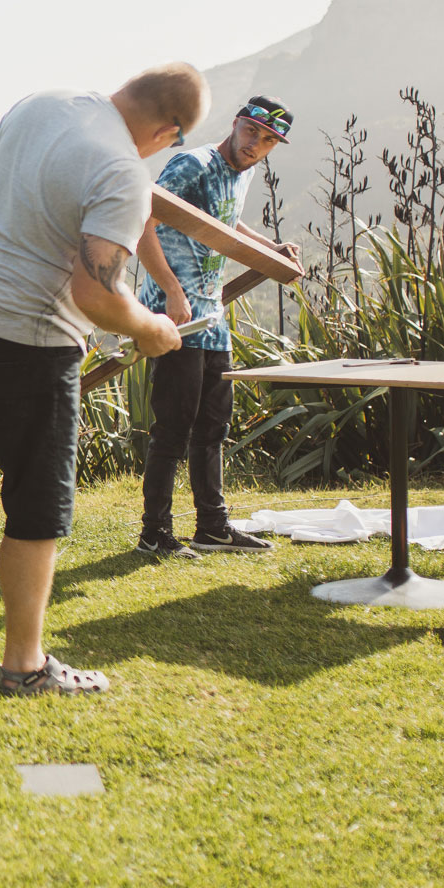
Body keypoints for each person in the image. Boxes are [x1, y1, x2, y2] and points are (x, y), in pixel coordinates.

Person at [0, 64, 200, 697]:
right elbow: (96, 294)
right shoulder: (123, 173)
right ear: (168, 131)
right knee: (38, 508)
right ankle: (24, 666)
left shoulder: (46, 99)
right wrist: (150, 330)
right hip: (27, 342)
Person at [135, 95, 301, 557]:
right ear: (236, 123)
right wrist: (170, 289)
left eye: (268, 141)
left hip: (213, 315)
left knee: (213, 426)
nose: (256, 145)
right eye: (252, 132)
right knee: (174, 426)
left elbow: (227, 223)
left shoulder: (243, 172)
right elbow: (141, 221)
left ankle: (212, 527)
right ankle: (155, 534)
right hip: (175, 315)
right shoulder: (194, 163)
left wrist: (272, 248)